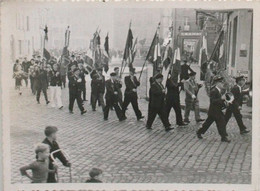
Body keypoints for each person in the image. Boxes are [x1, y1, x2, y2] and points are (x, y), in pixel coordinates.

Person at [196, 76, 230, 142]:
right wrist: (221, 99)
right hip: (214, 111)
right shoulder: (214, 90)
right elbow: (213, 101)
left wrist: (225, 103)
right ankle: (223, 137)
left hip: (216, 111)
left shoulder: (218, 90)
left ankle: (223, 137)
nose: (222, 84)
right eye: (221, 83)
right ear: (217, 83)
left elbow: (218, 101)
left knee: (218, 123)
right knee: (216, 123)